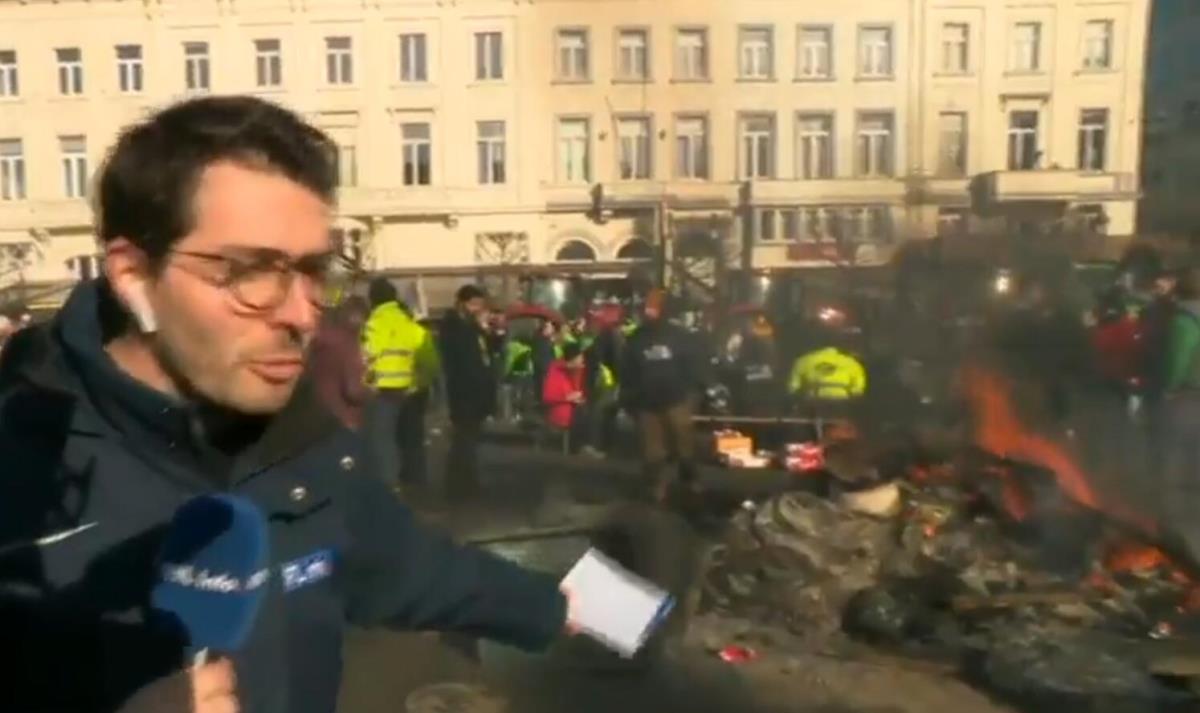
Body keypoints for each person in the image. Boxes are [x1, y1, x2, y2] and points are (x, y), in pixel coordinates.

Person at [0, 96, 574, 713]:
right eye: (251, 272)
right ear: (134, 274)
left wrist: (581, 608)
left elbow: (408, 567)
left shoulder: (307, 443)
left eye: (313, 270)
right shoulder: (24, 473)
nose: (302, 315)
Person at [621, 289, 707, 504]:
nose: (649, 311)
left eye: (654, 307)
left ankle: (690, 480)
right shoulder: (636, 339)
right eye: (647, 307)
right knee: (653, 452)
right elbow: (627, 370)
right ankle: (657, 489)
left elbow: (693, 367)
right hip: (646, 402)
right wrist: (629, 398)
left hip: (677, 399)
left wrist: (693, 395)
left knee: (684, 444)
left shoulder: (680, 337)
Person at [362, 277, 439, 495]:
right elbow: (431, 362)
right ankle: (416, 481)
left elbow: (365, 358)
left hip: (381, 391)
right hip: (409, 391)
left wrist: (366, 384)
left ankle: (388, 485)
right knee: (412, 437)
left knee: (383, 438)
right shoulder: (411, 325)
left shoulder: (373, 325)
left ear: (372, 299)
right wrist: (419, 384)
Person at [438, 283, 496, 500]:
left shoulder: (473, 328)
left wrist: (491, 332)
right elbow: (461, 362)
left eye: (480, 305)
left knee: (470, 441)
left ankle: (468, 482)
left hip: (477, 392)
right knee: (463, 441)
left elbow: (487, 353)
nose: (477, 309)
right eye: (473, 304)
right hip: (464, 392)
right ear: (461, 304)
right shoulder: (454, 327)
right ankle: (458, 486)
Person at [309, 295, 370, 430]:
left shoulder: (318, 339)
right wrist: (371, 393)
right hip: (344, 418)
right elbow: (353, 391)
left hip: (316, 415)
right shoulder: (349, 343)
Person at [542, 341, 588, 449]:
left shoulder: (577, 370)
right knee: (585, 416)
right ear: (573, 358)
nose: (582, 360)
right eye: (580, 357)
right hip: (562, 410)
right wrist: (568, 398)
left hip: (573, 408)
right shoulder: (556, 370)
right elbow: (548, 396)